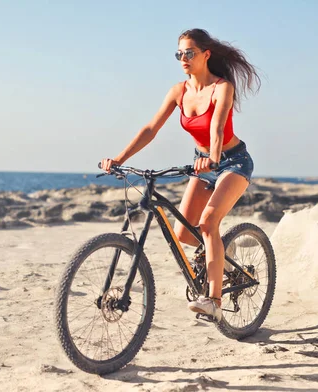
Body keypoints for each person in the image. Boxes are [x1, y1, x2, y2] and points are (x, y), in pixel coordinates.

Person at [101, 28, 261, 321]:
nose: (183, 58)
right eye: (179, 54)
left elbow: (217, 126)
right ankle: (220, 259)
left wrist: (214, 158)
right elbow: (150, 129)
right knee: (183, 233)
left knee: (209, 222)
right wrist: (119, 158)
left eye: (189, 53)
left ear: (206, 55)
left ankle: (213, 300)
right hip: (202, 163)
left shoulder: (222, 87)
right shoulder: (179, 91)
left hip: (232, 163)